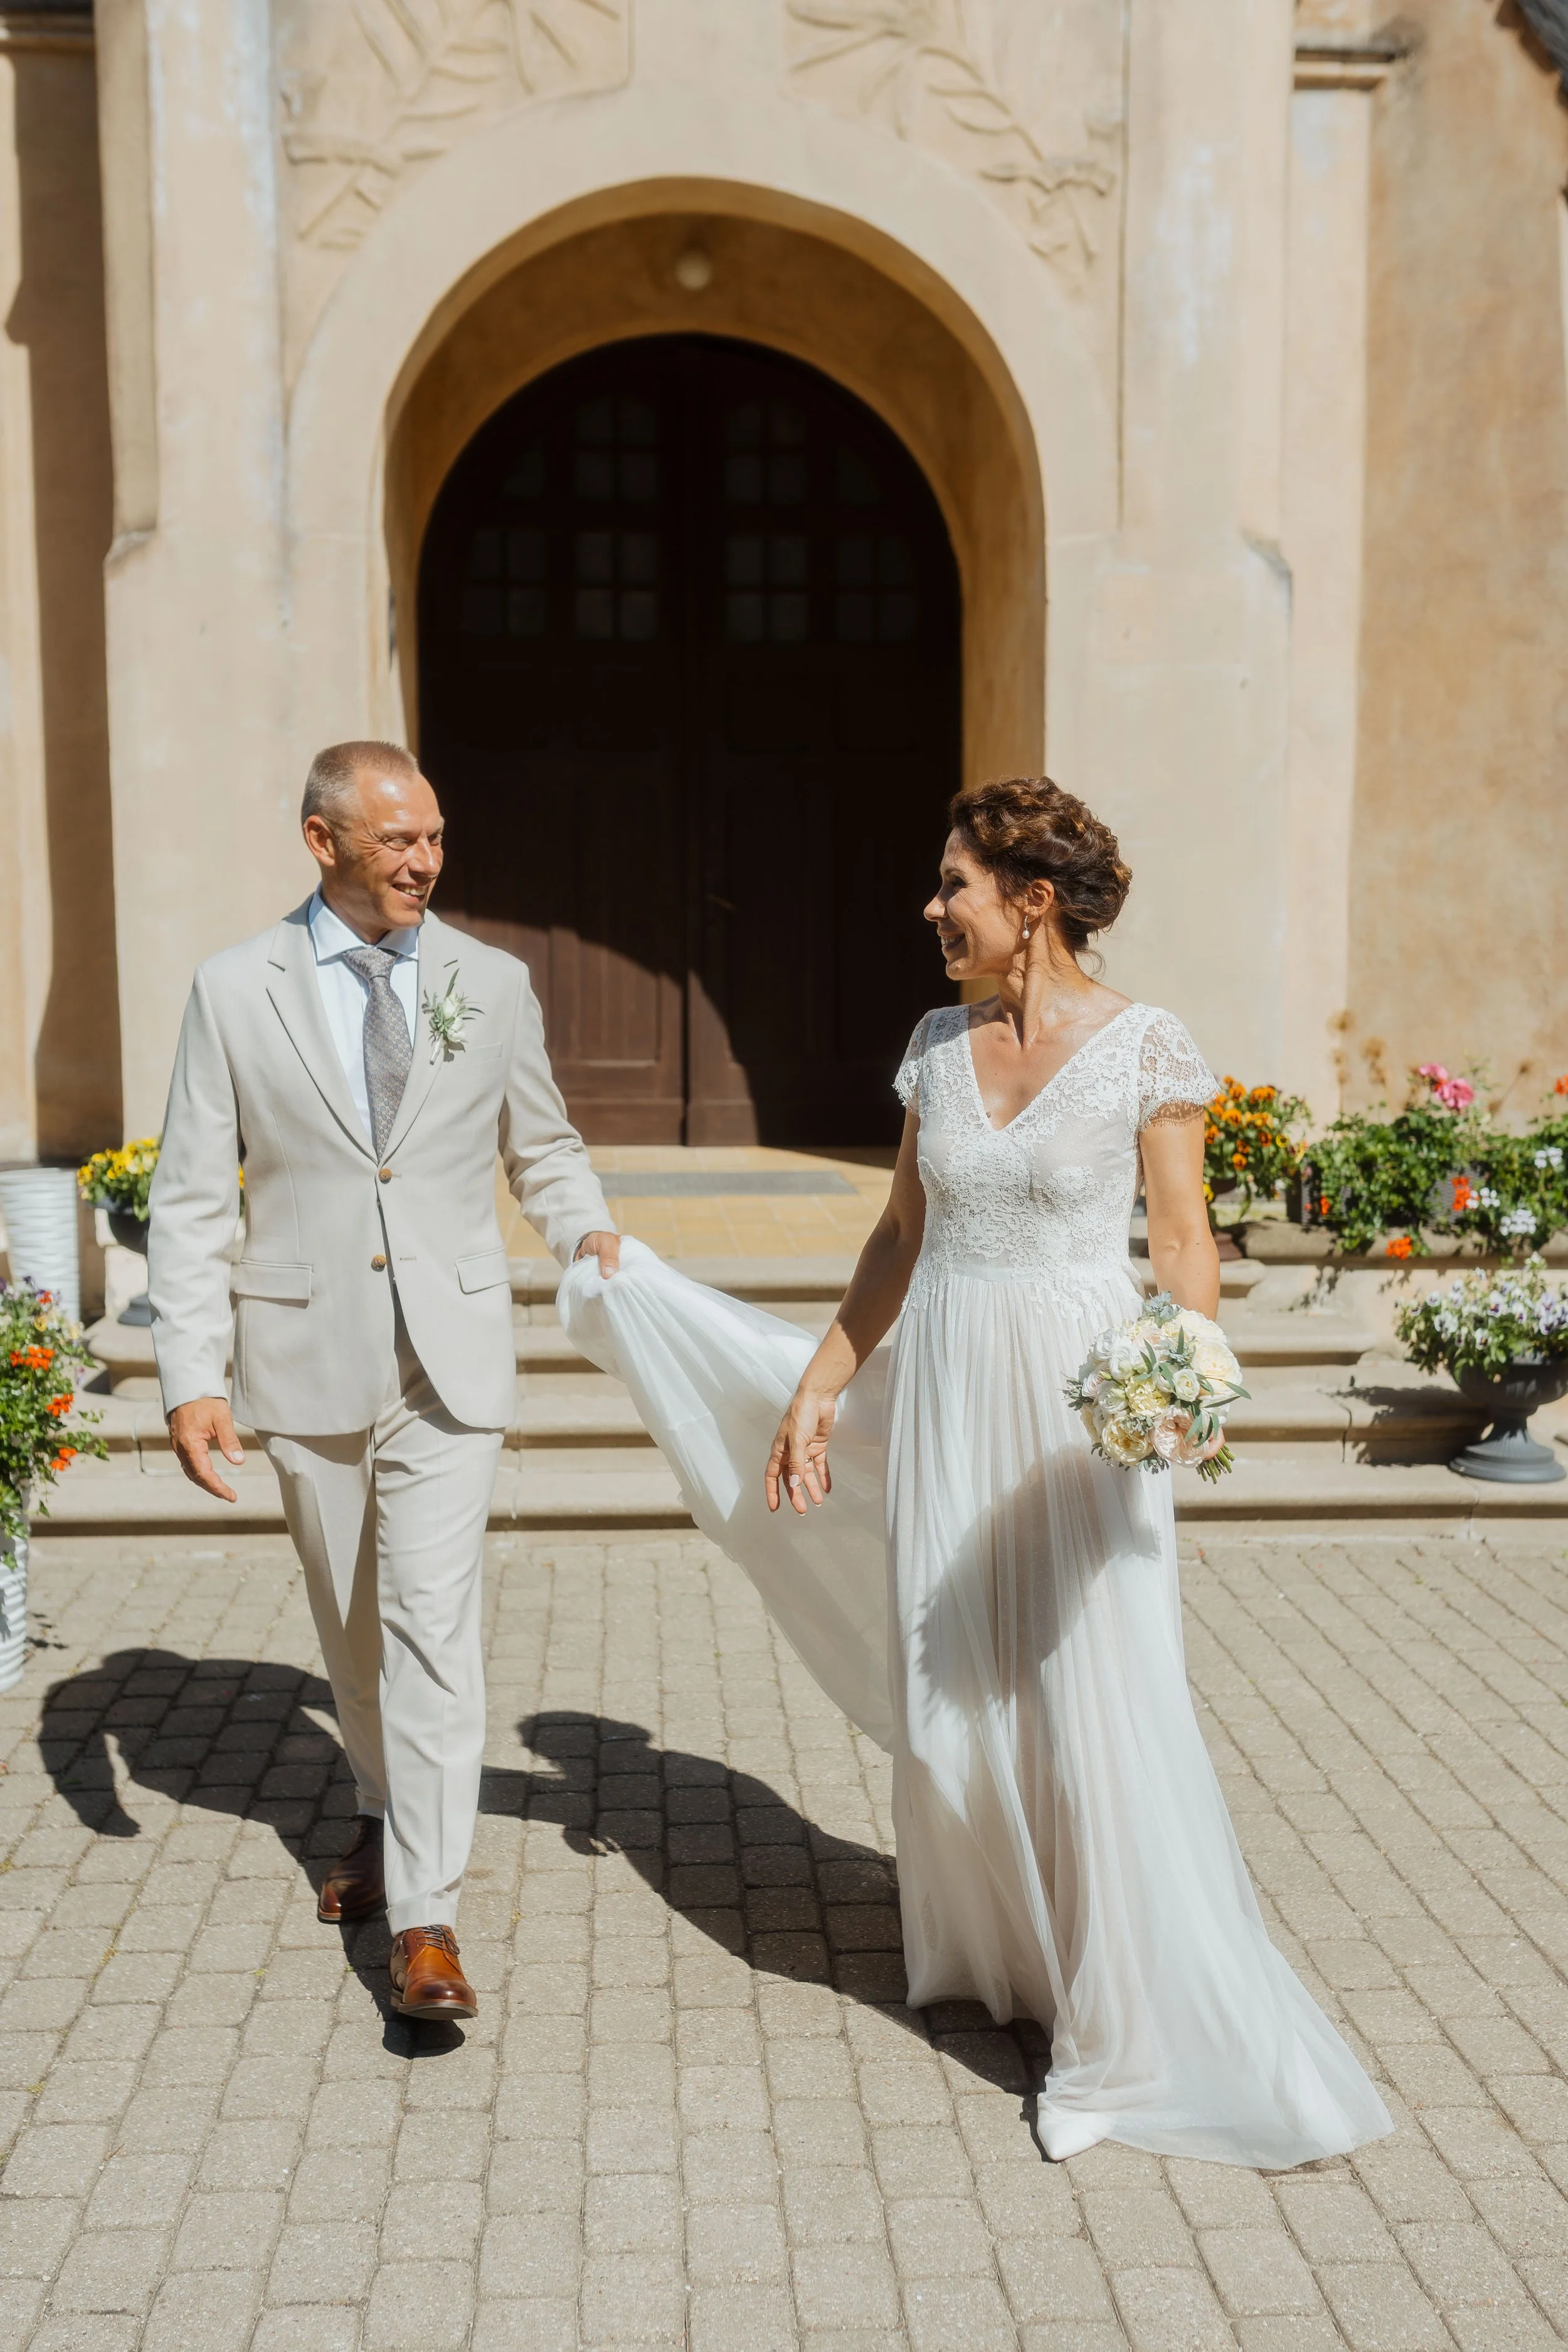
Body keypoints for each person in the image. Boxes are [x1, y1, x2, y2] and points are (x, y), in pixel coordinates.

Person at [560, 775, 1391, 2166]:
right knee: (965, 1697)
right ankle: (1013, 1956)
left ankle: (1119, 2035)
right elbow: (898, 1236)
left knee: (1088, 1696)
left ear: (1031, 901)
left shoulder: (1145, 1048)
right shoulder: (934, 1047)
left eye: (954, 885)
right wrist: (816, 1391)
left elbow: (1184, 1242)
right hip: (947, 1381)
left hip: (1079, 1404)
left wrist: (1179, 1371)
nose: (931, 908)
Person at [148, 741, 618, 2022]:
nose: (424, 862)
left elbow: (545, 1143)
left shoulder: (491, 981)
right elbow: (190, 1197)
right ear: (322, 842)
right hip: (303, 1352)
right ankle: (373, 1805)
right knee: (350, 1622)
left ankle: (425, 1918)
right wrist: (191, 1374)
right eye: (397, 841)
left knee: (428, 1624)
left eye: (435, 838)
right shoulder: (234, 988)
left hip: (449, 1358)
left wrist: (582, 1228)